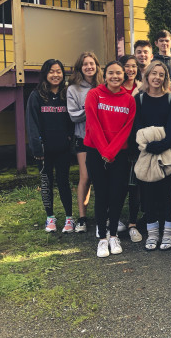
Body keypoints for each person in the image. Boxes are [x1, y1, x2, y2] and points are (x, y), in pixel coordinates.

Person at [84, 61, 136, 258]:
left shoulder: (129, 100)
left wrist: (112, 151)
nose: (115, 76)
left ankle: (114, 234)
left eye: (119, 73)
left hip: (118, 154)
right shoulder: (94, 94)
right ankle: (102, 238)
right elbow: (93, 124)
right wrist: (104, 150)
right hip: (96, 152)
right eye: (111, 73)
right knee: (102, 194)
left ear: (124, 76)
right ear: (104, 75)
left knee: (116, 195)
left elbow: (127, 129)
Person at [133, 61, 171, 251]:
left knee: (170, 193)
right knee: (149, 193)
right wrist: (147, 145)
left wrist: (163, 143)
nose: (157, 78)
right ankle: (152, 234)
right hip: (146, 152)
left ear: (165, 78)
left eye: (161, 74)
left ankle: (169, 233)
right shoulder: (139, 99)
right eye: (154, 73)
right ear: (147, 76)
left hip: (167, 150)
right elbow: (136, 125)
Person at [26, 59, 74, 233]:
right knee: (46, 183)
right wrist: (36, 147)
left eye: (59, 71)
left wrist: (70, 139)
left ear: (63, 74)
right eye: (52, 71)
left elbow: (72, 120)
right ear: (45, 74)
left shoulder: (66, 94)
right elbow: (32, 123)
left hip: (63, 149)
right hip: (44, 151)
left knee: (64, 182)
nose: (56, 75)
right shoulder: (36, 95)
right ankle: (50, 217)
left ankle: (69, 218)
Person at [67, 52, 103, 233]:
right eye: (85, 64)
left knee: (102, 178)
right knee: (86, 177)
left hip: (103, 139)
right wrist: (91, 108)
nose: (89, 67)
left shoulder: (103, 85)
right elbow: (74, 116)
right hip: (83, 138)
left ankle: (102, 215)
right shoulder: (73, 89)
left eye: (92, 63)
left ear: (97, 66)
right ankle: (82, 218)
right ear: (80, 67)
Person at [118, 54, 143, 242]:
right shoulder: (115, 88)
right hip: (118, 144)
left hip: (135, 143)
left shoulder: (143, 87)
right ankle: (116, 220)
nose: (130, 70)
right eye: (127, 66)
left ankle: (133, 224)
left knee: (134, 186)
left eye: (134, 66)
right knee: (118, 185)